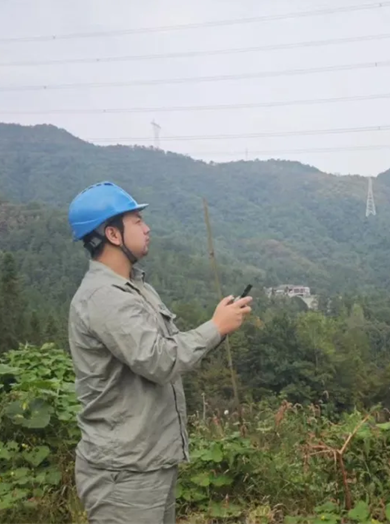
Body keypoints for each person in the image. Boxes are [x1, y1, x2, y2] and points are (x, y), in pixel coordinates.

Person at [66, 181, 252, 524]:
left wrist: (218, 326)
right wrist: (215, 327)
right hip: (124, 473)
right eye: (137, 221)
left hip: (149, 462)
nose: (147, 228)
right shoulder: (105, 298)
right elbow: (161, 361)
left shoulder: (137, 287)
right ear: (113, 234)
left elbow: (170, 346)